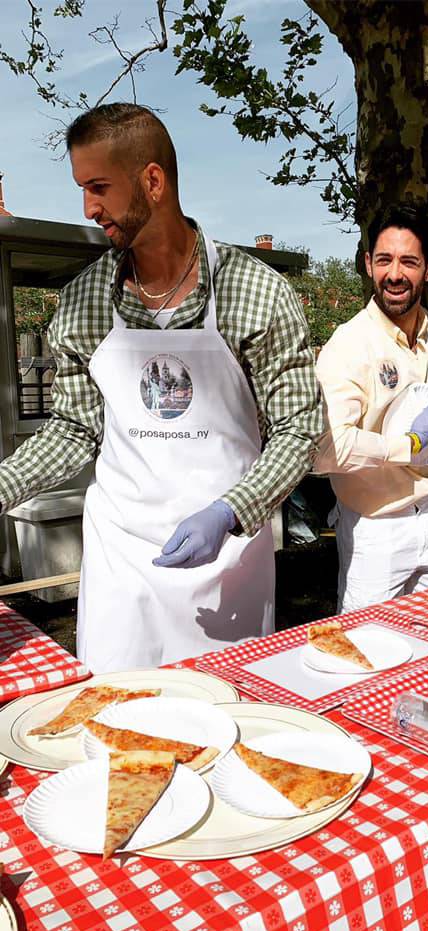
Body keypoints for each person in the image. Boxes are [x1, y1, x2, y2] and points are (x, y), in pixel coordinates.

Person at [0, 103, 324, 671]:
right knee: (114, 726)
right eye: (81, 188)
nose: (88, 207)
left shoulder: (257, 292)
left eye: (98, 186)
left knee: (230, 722)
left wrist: (229, 512)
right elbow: (74, 431)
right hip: (121, 559)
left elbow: (299, 428)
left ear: (153, 181)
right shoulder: (82, 303)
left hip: (229, 556)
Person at [314, 203, 428, 612]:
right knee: (367, 649)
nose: (394, 274)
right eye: (384, 260)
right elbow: (326, 449)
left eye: (408, 262)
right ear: (367, 264)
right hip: (374, 528)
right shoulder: (348, 345)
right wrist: (405, 444)